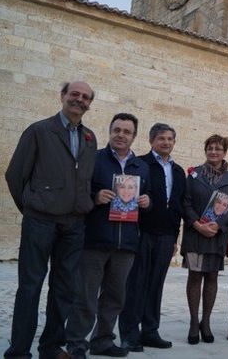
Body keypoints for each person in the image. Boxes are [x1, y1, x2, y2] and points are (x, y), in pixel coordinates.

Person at [4, 81, 98, 359]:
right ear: (63, 96)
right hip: (40, 222)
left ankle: (51, 346)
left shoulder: (90, 138)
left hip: (74, 225)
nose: (79, 100)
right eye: (74, 94)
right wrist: (33, 207)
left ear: (90, 104)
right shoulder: (39, 130)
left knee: (64, 288)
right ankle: (19, 350)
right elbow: (15, 175)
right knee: (30, 287)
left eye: (85, 97)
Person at [65, 113, 151, 358]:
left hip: (126, 244)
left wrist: (147, 201)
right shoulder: (94, 159)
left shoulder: (141, 167)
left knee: (115, 297)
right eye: (117, 130)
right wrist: (95, 197)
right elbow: (77, 194)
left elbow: (149, 202)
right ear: (110, 131)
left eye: (126, 131)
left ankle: (103, 341)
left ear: (134, 136)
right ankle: (76, 344)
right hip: (95, 240)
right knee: (86, 296)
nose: (121, 135)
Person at [119, 123, 186, 351]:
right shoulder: (140, 165)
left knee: (156, 284)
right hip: (142, 232)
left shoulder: (178, 171)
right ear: (151, 141)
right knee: (135, 284)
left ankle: (150, 330)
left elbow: (178, 205)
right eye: (161, 138)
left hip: (167, 235)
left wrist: (176, 236)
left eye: (170, 139)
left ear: (174, 142)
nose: (166, 142)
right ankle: (129, 333)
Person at [181, 134, 228, 345]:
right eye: (210, 148)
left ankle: (205, 322)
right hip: (195, 233)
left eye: (218, 148)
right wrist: (197, 224)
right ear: (205, 150)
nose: (213, 152)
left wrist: (219, 225)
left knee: (212, 277)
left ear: (225, 152)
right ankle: (192, 322)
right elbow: (185, 202)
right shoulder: (194, 175)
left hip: (217, 236)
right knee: (195, 276)